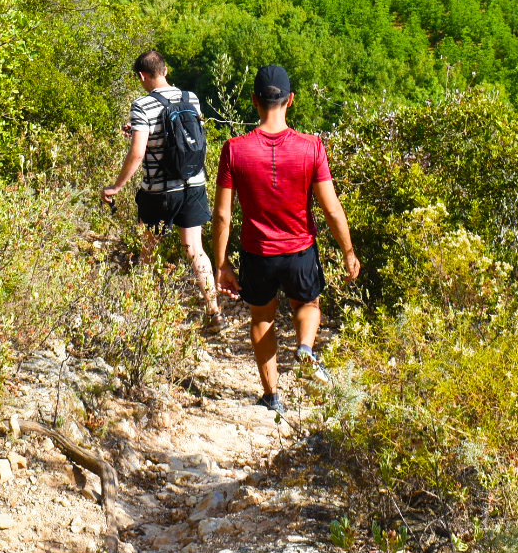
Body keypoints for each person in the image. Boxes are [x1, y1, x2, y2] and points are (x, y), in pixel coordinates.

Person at [213, 64, 360, 412]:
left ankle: (272, 396)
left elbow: (222, 215)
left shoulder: (234, 150)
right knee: (307, 305)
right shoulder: (312, 147)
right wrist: (348, 251)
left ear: (254, 101)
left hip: (257, 253)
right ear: (290, 100)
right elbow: (333, 209)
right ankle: (306, 348)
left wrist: (221, 263)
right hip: (300, 251)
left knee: (262, 318)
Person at [101, 50, 222, 324]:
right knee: (195, 248)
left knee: (149, 248)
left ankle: (145, 314)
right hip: (193, 184)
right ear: (165, 70)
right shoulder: (191, 98)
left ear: (142, 75)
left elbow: (138, 153)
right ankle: (214, 311)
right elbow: (187, 135)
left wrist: (117, 187)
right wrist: (140, 128)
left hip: (159, 191)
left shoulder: (142, 105)